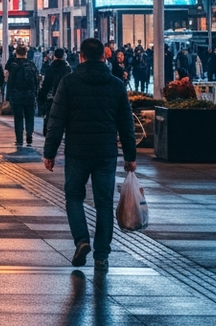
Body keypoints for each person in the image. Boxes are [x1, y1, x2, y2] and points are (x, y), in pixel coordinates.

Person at [43, 37, 137, 270]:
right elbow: (126, 123)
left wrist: (50, 152)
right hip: (106, 152)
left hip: (77, 151)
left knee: (74, 196)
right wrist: (130, 156)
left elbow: (56, 120)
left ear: (81, 56)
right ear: (104, 57)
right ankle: (102, 254)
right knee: (104, 203)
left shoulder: (69, 83)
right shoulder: (116, 85)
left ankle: (82, 240)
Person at [6, 46, 40, 147]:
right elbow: (36, 80)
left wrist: (8, 96)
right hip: (29, 94)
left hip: (17, 95)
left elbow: (10, 82)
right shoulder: (31, 65)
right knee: (30, 116)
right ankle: (29, 133)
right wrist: (35, 93)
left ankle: (19, 139)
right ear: (26, 53)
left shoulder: (13, 65)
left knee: (18, 117)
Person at [38, 47, 71, 137]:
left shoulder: (50, 67)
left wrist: (42, 95)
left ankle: (48, 131)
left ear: (54, 56)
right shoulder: (67, 68)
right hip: (63, 95)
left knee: (49, 114)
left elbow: (46, 83)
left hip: (51, 95)